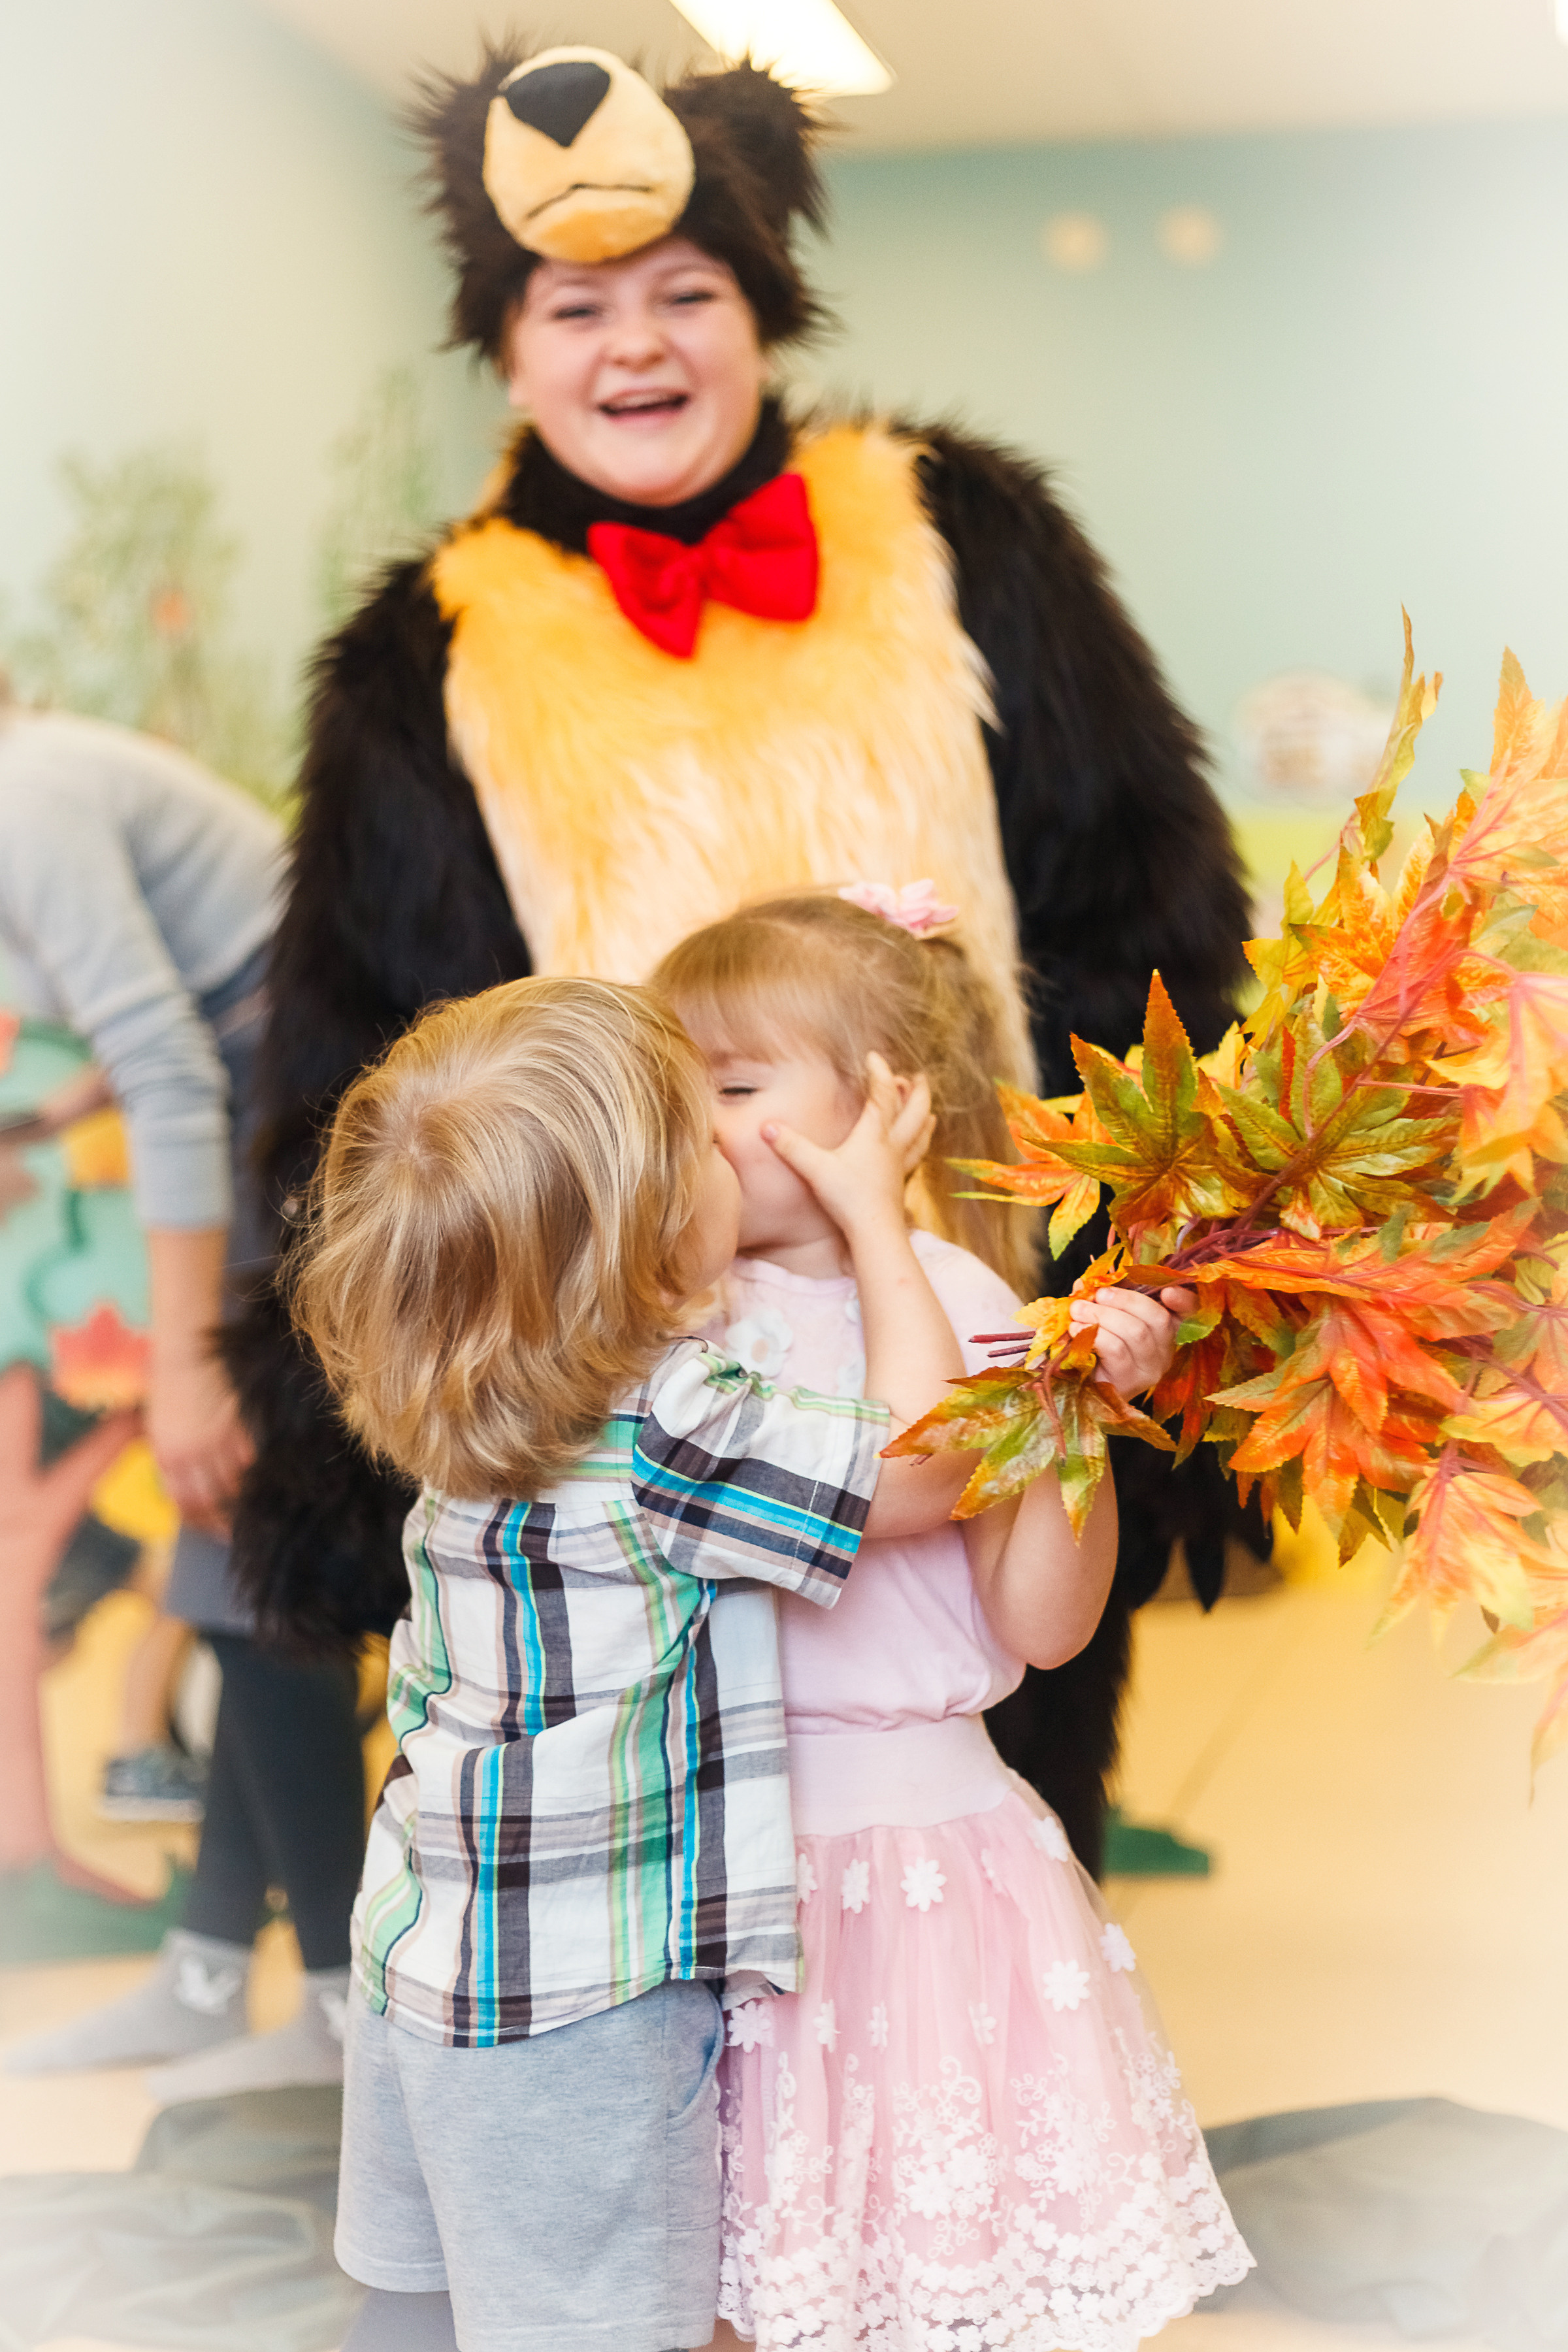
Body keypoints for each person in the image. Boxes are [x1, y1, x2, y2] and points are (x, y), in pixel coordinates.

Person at [228, 42, 1259, 1886]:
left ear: (761, 310)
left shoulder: (967, 536)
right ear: (509, 344)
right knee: (682, 1910)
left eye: (686, 293)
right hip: (639, 1409)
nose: (638, 345)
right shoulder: (425, 656)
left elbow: (1151, 922)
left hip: (966, 1316)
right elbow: (360, 1079)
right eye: (579, 305)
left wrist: (1128, 1276)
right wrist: (373, 1435)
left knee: (984, 1827)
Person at [291, 974, 977, 2352]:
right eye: (702, 1138)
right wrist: (878, 1220)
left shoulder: (463, 1408)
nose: (734, 1149)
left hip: (421, 1956)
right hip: (583, 2014)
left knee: (415, 2313)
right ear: (658, 1250)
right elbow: (939, 1457)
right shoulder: (671, 1432)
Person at [654, 891, 1253, 2347]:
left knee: (938, 2268)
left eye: (734, 1089)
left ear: (886, 1104)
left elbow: (1042, 1624)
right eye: (672, 1091)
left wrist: (1075, 1421)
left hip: (930, 1871)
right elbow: (884, 1475)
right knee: (733, 2273)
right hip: (722, 1865)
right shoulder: (667, 1319)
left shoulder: (973, 1297)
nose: (695, 1126)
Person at [0, 704, 366, 2099]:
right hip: (261, 1086)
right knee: (229, 1564)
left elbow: (171, 1067)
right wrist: (39, 1125)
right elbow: (155, 1010)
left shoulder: (24, 802)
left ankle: (332, 1998)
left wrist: (188, 1354)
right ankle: (212, 1972)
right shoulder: (36, 781)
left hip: (290, 1104)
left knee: (240, 1540)